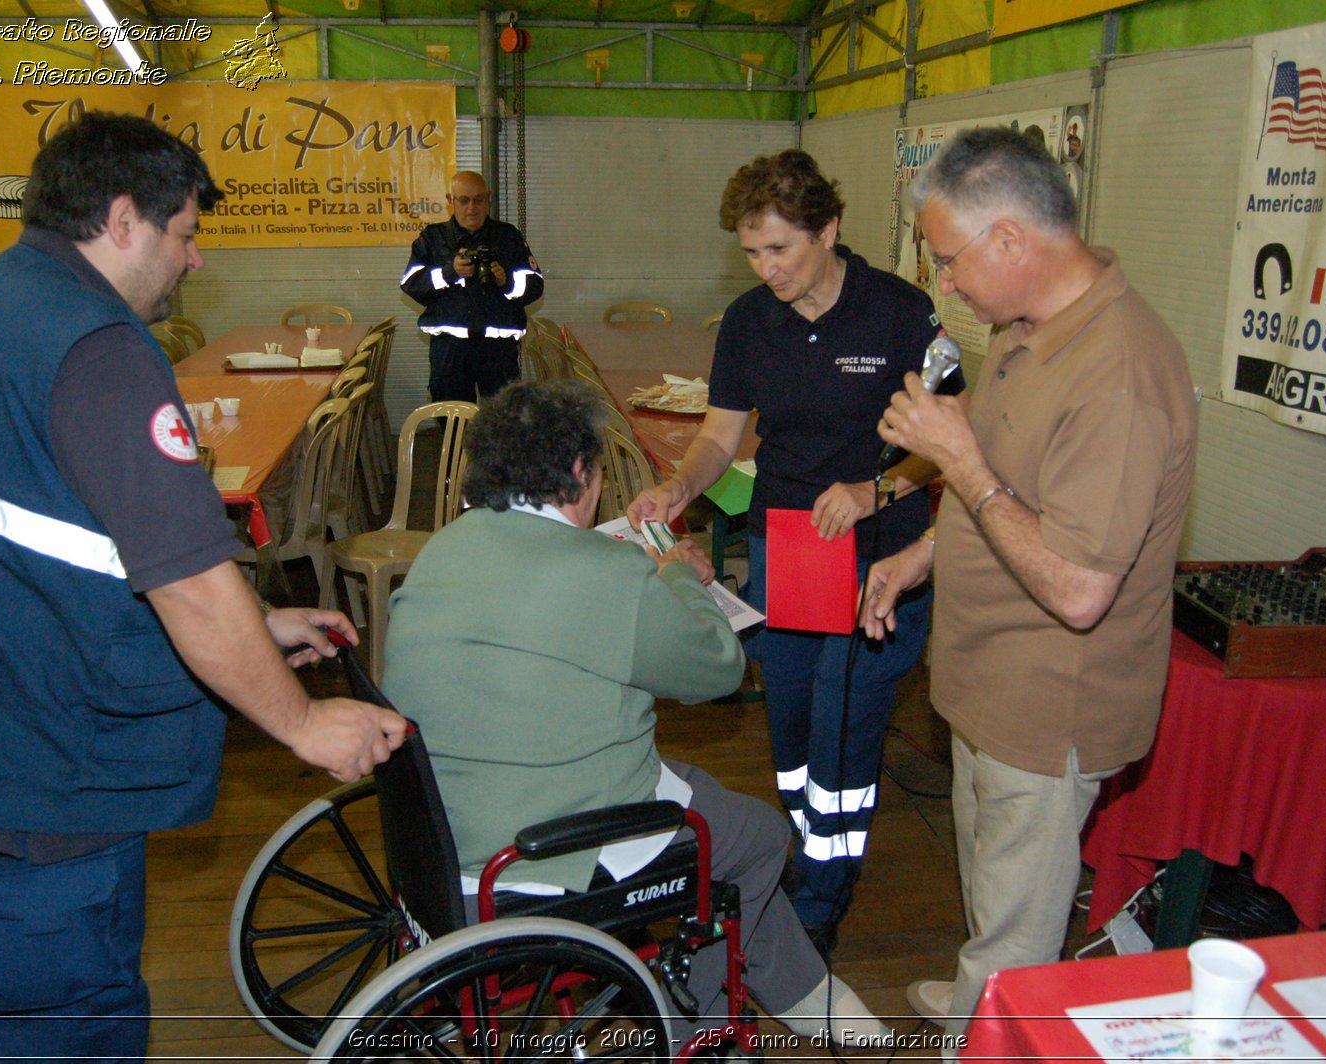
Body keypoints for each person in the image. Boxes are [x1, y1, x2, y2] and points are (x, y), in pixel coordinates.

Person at [0, 112, 407, 1064]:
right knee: (70, 1023)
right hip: (43, 770)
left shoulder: (1, 305)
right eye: (186, 233)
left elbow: (54, 542)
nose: (194, 261)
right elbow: (191, 580)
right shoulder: (99, 347)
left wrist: (257, 621)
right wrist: (304, 724)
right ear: (123, 219)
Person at [381, 380, 888, 1047]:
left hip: (439, 837)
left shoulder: (442, 549)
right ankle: (701, 1024)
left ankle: (811, 1000)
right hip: (538, 854)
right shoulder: (600, 568)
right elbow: (717, 668)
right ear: (578, 473)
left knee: (695, 788)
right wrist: (681, 575)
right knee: (759, 837)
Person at [862, 126, 1197, 1052]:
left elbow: (1081, 589)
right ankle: (989, 979)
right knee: (993, 877)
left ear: (1008, 240)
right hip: (985, 679)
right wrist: (922, 553)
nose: (947, 283)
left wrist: (958, 460)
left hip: (1049, 705)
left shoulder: (1119, 375)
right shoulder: (1031, 331)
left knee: (1020, 910)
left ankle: (995, 1021)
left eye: (948, 260)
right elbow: (1013, 491)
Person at [627, 148, 958, 953]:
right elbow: (721, 433)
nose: (765, 267)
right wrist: (682, 486)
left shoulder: (901, 313)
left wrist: (875, 489)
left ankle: (823, 892)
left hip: (883, 554)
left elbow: (954, 439)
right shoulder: (749, 322)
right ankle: (806, 846)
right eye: (751, 251)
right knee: (793, 717)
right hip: (793, 546)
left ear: (829, 230)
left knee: (847, 725)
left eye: (780, 248)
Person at [400, 170, 544, 402]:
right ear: (450, 200)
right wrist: (450, 272)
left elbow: (535, 286)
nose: (471, 208)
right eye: (464, 200)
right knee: (450, 417)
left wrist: (506, 281)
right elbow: (410, 283)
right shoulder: (433, 238)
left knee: (504, 417)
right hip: (450, 349)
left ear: (489, 198)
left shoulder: (508, 237)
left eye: (478, 200)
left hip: (498, 350)